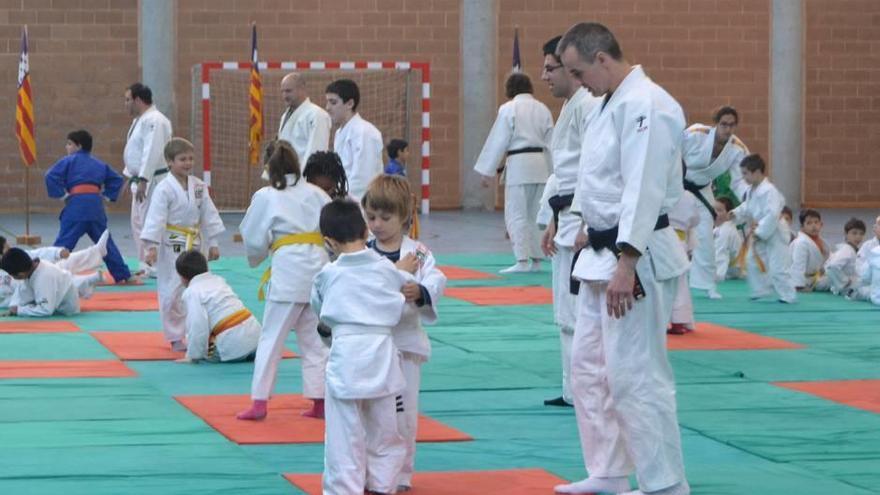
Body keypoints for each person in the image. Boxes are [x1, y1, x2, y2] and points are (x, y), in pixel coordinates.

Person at [555, 22, 690, 495]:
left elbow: (645, 186)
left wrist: (626, 260)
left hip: (636, 254)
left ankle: (665, 484)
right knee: (588, 369)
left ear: (602, 60)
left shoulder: (646, 104)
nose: (576, 82)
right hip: (599, 251)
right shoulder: (606, 104)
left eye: (578, 71)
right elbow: (599, 179)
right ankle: (608, 471)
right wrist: (582, 226)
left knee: (636, 375)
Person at [311, 199, 413, 495]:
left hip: (346, 356)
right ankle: (383, 484)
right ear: (366, 230)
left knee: (344, 434)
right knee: (385, 430)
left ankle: (344, 489)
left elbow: (320, 312)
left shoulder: (327, 275)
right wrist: (404, 272)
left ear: (328, 242)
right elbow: (402, 295)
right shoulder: (387, 269)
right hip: (382, 354)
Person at [361, 175, 446, 491]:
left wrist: (421, 290)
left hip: (406, 344)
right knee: (372, 413)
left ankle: (402, 474)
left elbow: (437, 278)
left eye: (385, 217)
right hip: (372, 345)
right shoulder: (364, 252)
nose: (377, 224)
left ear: (404, 218)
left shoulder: (419, 253)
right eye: (371, 217)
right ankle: (371, 471)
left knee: (404, 414)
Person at [237, 140, 331, 421]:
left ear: (269, 166)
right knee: (315, 340)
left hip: (289, 271)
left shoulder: (266, 196)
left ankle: (259, 401)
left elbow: (253, 237)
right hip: (318, 269)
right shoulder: (317, 194)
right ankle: (320, 401)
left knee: (272, 338)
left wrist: (258, 254)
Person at [537, 34, 601, 407]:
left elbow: (595, 171)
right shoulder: (571, 107)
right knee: (565, 314)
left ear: (572, 67)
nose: (544, 76)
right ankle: (573, 389)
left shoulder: (588, 106)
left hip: (582, 222)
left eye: (550, 68)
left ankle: (585, 390)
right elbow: (563, 173)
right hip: (566, 218)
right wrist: (551, 219)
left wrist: (585, 223)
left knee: (578, 315)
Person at [141, 138, 225, 351]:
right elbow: (156, 218)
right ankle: (175, 335)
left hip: (195, 245)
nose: (187, 163)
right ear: (169, 162)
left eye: (190, 158)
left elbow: (208, 213)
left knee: (200, 288)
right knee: (171, 291)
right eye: (182, 159)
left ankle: (200, 333)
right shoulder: (163, 188)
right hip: (172, 246)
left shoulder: (198, 186)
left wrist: (213, 242)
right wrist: (151, 247)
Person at [474, 72, 553, 274]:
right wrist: (555, 172)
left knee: (516, 214)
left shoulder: (509, 108)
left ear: (509, 90)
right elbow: (553, 142)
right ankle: (537, 258)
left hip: (519, 165)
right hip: (541, 165)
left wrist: (487, 171)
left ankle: (522, 260)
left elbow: (498, 139)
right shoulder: (543, 108)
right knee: (536, 214)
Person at [45, 129, 134, 284]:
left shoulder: (68, 161)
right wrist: (107, 196)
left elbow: (50, 176)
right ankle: (123, 276)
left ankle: (49, 275)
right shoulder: (99, 164)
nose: (67, 147)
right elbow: (116, 179)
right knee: (105, 243)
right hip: (95, 206)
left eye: (69, 144)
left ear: (78, 146)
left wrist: (62, 195)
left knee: (63, 244)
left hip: (76, 206)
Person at [682, 106, 750, 300]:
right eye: (723, 124)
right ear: (715, 123)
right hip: (677, 186)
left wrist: (749, 197)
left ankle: (706, 285)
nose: (727, 129)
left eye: (732, 125)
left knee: (705, 236)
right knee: (668, 233)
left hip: (702, 190)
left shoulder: (738, 149)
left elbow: (740, 181)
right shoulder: (696, 134)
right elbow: (670, 155)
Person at [729, 154, 796, 303]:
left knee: (778, 267)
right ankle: (761, 290)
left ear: (757, 172)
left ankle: (788, 295)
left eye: (746, 173)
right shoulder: (752, 190)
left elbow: (772, 214)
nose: (744, 177)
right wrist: (735, 213)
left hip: (775, 231)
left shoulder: (769, 190)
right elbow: (748, 206)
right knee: (751, 260)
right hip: (762, 229)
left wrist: (760, 232)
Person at [175, 250, 260, 363]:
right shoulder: (219, 281)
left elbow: (197, 325)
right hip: (257, 338)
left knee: (203, 349)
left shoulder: (192, 292)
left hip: (233, 345)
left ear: (183, 277)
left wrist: (193, 355)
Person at [123, 83, 173, 276]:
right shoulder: (140, 120)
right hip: (141, 179)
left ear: (137, 100)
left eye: (128, 100)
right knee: (138, 222)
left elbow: (152, 150)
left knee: (151, 223)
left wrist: (143, 178)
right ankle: (146, 263)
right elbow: (135, 151)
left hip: (153, 180)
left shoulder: (155, 120)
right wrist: (129, 176)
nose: (125, 104)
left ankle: (155, 264)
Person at [0, 234, 109, 308]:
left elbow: (38, 253)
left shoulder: (12, 256)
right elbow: (6, 301)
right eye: (6, 248)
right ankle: (88, 280)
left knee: (65, 261)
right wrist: (17, 304)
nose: (10, 249)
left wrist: (57, 253)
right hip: (32, 291)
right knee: (60, 281)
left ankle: (97, 251)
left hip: (34, 274)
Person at [0, 247, 102, 317]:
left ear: (20, 274)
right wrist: (14, 307)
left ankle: (88, 280)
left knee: (67, 266)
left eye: (12, 275)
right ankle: (87, 281)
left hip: (65, 312)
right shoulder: (31, 269)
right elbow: (23, 291)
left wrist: (19, 310)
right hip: (56, 298)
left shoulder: (43, 277)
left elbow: (45, 310)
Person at [325, 79, 384, 200]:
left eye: (333, 102)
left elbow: (363, 178)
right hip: (344, 200)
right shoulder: (339, 133)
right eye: (327, 102)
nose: (327, 107)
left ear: (350, 103)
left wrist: (344, 202)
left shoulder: (365, 132)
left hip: (363, 204)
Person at [277, 72, 331, 165]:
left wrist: (306, 178)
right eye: (283, 91)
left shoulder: (317, 115)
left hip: (304, 176)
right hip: (284, 176)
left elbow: (317, 151)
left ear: (302, 89)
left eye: (288, 91)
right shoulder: (285, 116)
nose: (285, 96)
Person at [668, 190, 701, 334]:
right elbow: (695, 220)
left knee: (660, 283)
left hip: (660, 238)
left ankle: (664, 322)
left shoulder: (658, 188)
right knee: (680, 283)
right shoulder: (688, 195)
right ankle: (679, 322)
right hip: (680, 240)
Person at [789, 209, 831, 292]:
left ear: (821, 224)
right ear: (802, 227)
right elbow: (798, 265)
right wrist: (798, 286)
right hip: (803, 280)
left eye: (816, 222)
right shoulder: (801, 243)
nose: (814, 226)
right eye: (809, 223)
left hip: (815, 278)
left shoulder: (822, 241)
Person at [824, 218, 866, 296]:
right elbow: (832, 267)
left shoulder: (853, 250)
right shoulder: (847, 250)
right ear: (846, 234)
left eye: (861, 234)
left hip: (850, 286)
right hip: (848, 288)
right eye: (854, 233)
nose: (858, 237)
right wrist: (845, 281)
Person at [713, 197, 744, 281]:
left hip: (732, 272)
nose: (714, 213)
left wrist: (717, 277)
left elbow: (721, 255)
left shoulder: (726, 230)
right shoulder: (719, 228)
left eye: (719, 210)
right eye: (713, 210)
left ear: (729, 214)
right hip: (730, 269)